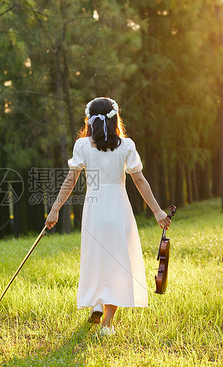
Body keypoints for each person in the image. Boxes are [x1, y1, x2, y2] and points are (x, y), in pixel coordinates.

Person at [45, 97, 171, 336]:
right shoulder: (127, 145)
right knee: (117, 264)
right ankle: (107, 325)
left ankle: (96, 304)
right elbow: (140, 180)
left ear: (89, 121)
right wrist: (157, 210)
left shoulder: (82, 146)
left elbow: (70, 181)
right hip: (118, 210)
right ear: (116, 119)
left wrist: (54, 210)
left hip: (94, 212)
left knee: (96, 259)